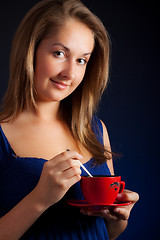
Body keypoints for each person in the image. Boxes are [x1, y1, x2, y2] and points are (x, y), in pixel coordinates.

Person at [0, 0, 139, 239]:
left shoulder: (94, 129)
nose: (70, 74)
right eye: (59, 53)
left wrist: (118, 218)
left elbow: (107, 233)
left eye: (81, 60)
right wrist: (39, 199)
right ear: (30, 50)